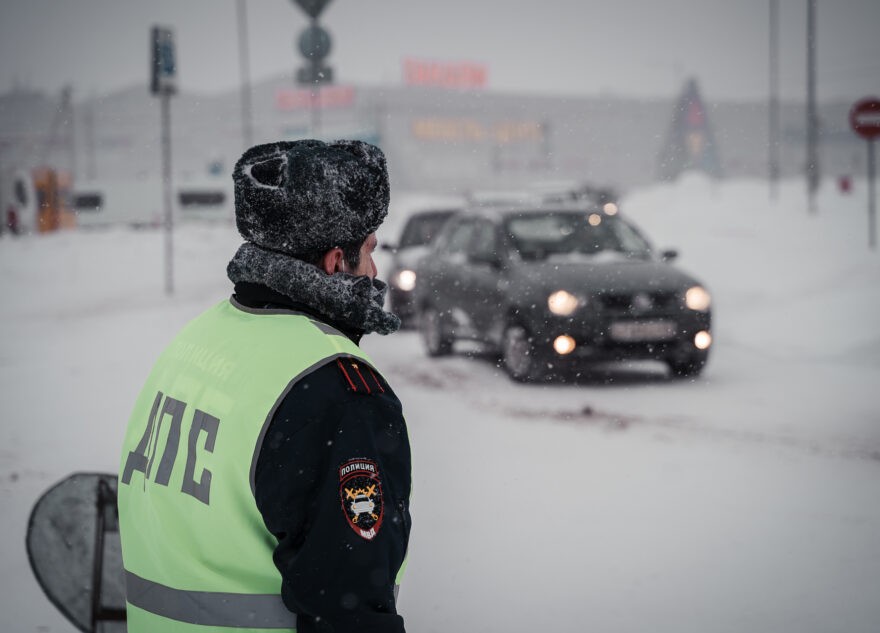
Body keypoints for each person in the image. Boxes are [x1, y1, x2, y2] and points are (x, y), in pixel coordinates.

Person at [117, 139, 411, 633]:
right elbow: (348, 608)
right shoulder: (337, 393)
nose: (376, 271)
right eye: (370, 251)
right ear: (337, 262)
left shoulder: (200, 339)